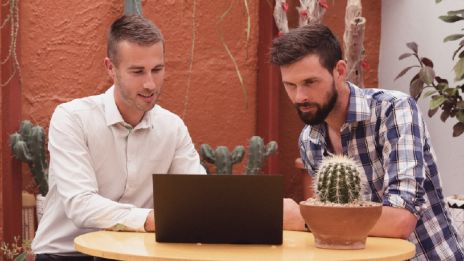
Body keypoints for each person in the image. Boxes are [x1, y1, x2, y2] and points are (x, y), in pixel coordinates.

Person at [273, 23, 464, 260]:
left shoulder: (393, 110)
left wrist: (305, 219)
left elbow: (401, 220)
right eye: (290, 85)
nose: (299, 96)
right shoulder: (310, 139)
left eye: (310, 82)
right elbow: (334, 233)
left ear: (340, 71)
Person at [31, 15, 206, 260]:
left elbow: (197, 196)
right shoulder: (71, 118)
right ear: (110, 68)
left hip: (136, 253)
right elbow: (80, 204)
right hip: (66, 253)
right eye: (137, 71)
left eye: (157, 69)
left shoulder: (172, 127)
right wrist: (149, 219)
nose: (150, 84)